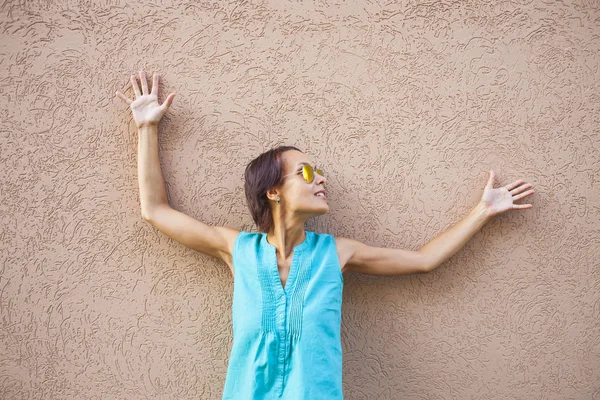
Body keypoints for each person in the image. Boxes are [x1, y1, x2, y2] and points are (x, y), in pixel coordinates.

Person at [116, 71, 535, 400]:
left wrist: (484, 210)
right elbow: (156, 211)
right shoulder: (237, 251)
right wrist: (147, 127)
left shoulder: (338, 254)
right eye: (307, 173)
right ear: (274, 190)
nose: (321, 180)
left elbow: (424, 260)